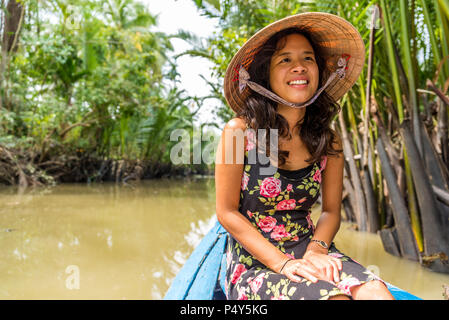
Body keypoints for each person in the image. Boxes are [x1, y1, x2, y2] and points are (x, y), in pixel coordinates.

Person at [215, 12, 395, 300]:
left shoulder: (327, 139)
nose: (298, 67)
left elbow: (331, 211)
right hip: (256, 258)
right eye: (285, 59)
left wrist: (316, 249)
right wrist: (283, 263)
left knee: (377, 292)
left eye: (307, 58)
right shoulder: (239, 132)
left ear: (319, 73)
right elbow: (226, 212)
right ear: (266, 75)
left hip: (309, 247)